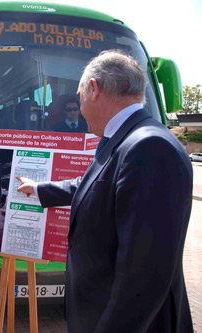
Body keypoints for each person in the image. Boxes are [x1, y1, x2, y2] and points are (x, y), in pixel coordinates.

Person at [17, 50, 193, 332]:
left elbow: (143, 277)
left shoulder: (149, 148)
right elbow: (97, 186)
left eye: (78, 96)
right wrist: (39, 190)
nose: (79, 107)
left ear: (93, 89)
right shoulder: (130, 139)